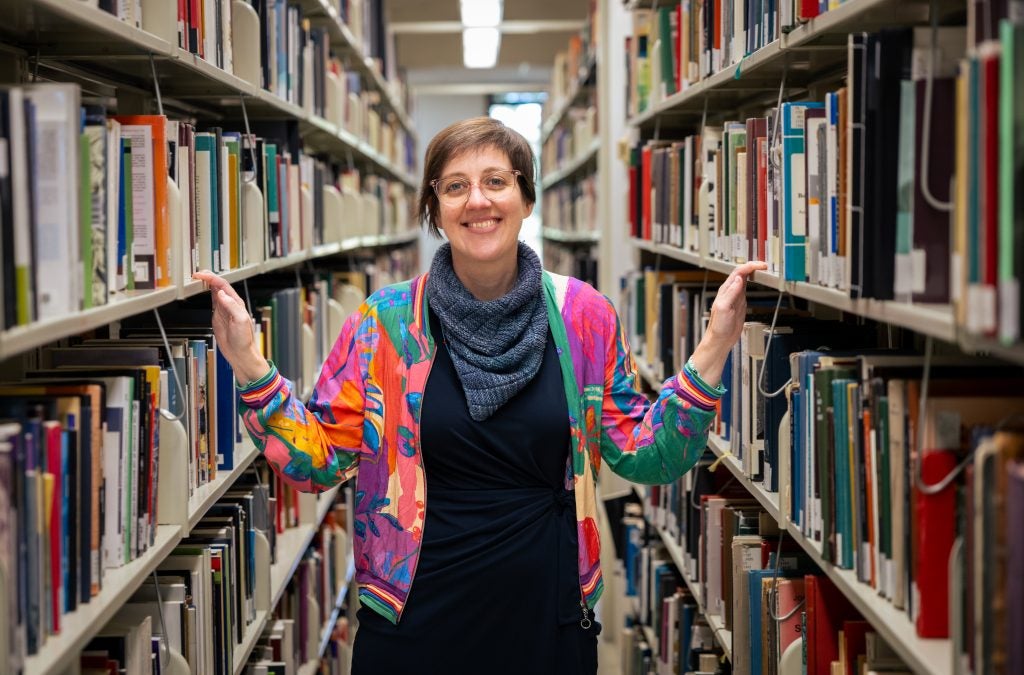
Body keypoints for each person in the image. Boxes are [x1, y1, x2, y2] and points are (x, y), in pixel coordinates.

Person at [195, 116, 766, 674]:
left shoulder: (582, 316)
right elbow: (316, 461)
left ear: (527, 199)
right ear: (434, 210)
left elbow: (647, 452)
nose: (477, 201)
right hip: (412, 615)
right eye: (455, 187)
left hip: (548, 608)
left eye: (496, 181)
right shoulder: (384, 324)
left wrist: (714, 344)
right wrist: (248, 361)